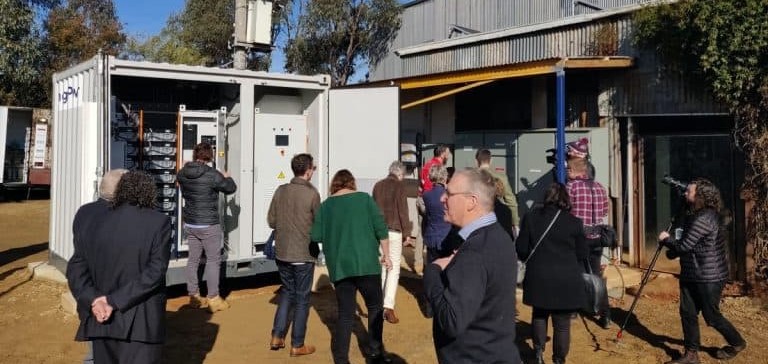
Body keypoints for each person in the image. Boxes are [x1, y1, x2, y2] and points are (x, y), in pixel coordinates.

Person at [66, 170, 172, 364]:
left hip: (99, 318)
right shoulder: (158, 221)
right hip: (140, 322)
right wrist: (113, 301)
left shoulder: (87, 215)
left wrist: (93, 300)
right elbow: (155, 271)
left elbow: (76, 266)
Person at [423, 168, 522, 364]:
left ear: (471, 202)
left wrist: (432, 272)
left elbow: (452, 320)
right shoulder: (499, 237)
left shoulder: (474, 252)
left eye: (449, 193)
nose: (442, 198)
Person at [658, 178, 746, 364]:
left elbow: (685, 245)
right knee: (687, 312)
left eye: (688, 192)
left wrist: (667, 239)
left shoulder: (705, 217)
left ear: (700, 196)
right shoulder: (696, 213)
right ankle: (691, 354)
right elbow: (691, 245)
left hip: (709, 277)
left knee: (711, 316)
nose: (684, 193)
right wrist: (674, 250)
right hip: (692, 272)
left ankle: (737, 342)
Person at [310, 169, 393, 364]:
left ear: (334, 185)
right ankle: (375, 353)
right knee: (374, 308)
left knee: (346, 315)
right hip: (367, 264)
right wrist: (387, 256)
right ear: (351, 183)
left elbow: (316, 236)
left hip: (340, 268)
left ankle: (341, 359)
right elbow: (381, 228)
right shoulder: (364, 199)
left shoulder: (325, 206)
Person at [516, 183, 588, 364]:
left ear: (546, 198)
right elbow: (582, 254)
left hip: (538, 277)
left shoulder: (530, 218)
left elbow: (521, 249)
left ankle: (538, 353)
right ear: (566, 200)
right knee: (562, 325)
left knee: (539, 315)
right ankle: (559, 360)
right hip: (567, 279)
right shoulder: (575, 223)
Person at [71, 169, 127, 364]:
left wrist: (91, 298)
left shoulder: (84, 212)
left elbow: (78, 261)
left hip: (90, 296)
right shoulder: (126, 218)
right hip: (115, 302)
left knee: (96, 348)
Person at [267, 153, 321, 356]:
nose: (313, 171)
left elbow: (271, 221)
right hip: (304, 253)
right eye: (313, 168)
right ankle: (297, 344)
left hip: (283, 252)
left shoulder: (281, 191)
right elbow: (319, 225)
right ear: (308, 171)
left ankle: (276, 335)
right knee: (302, 299)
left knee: (287, 293)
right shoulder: (312, 194)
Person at [177, 142, 237, 313]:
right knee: (213, 261)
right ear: (209, 156)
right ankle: (213, 298)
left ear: (195, 155)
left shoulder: (182, 173)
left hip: (190, 223)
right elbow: (230, 188)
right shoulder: (212, 174)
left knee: (193, 259)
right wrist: (228, 177)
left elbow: (180, 179)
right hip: (209, 224)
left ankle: (194, 296)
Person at [565, 145, 611, 329]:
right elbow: (605, 210)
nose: (567, 171)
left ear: (578, 171)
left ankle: (574, 308)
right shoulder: (600, 187)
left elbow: (566, 211)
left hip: (579, 237)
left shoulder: (572, 186)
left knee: (576, 273)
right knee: (596, 276)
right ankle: (605, 313)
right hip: (598, 237)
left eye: (569, 168)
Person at [372, 160, 414, 325]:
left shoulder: (377, 186)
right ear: (400, 173)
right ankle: (388, 306)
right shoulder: (399, 186)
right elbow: (403, 210)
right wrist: (408, 233)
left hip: (379, 231)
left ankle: (378, 304)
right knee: (394, 268)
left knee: (382, 266)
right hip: (394, 231)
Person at [476, 148, 520, 236]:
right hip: (498, 216)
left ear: (477, 160)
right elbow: (511, 201)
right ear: (490, 160)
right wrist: (515, 223)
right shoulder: (501, 177)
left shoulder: (471, 177)